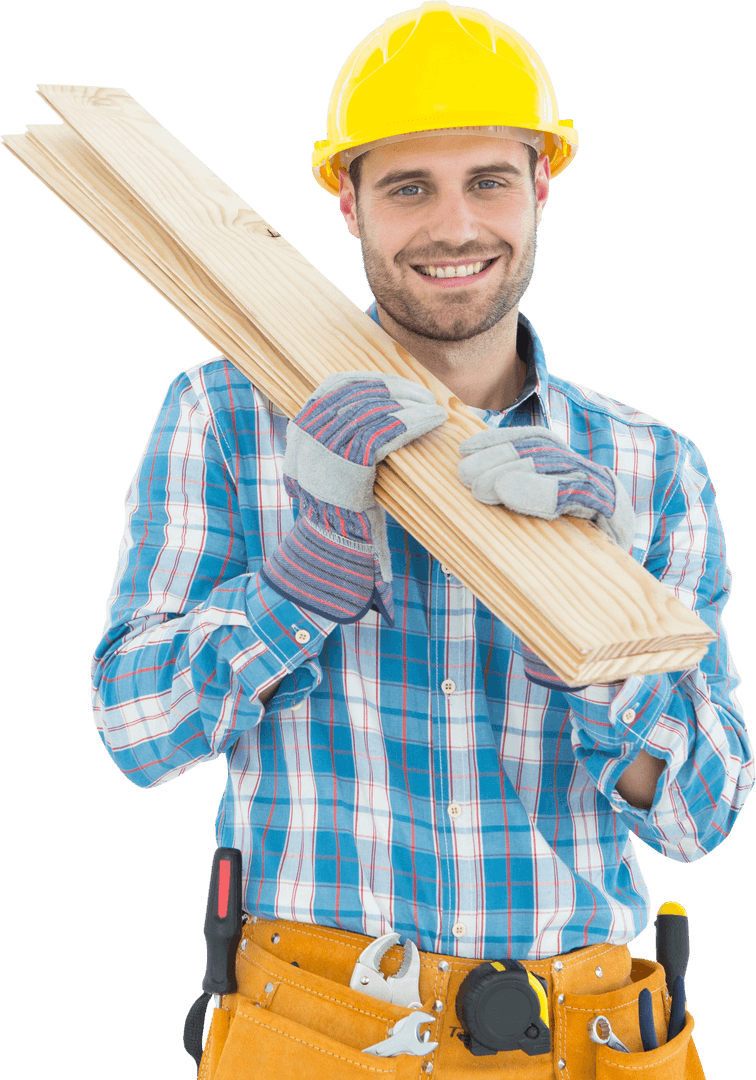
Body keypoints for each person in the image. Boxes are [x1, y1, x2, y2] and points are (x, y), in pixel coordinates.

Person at [90, 3, 752, 1077]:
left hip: (585, 1038)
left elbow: (704, 810)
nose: (455, 226)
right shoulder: (229, 413)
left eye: (489, 180)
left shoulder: (648, 467)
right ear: (347, 202)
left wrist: (596, 633)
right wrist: (292, 593)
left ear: (541, 189)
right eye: (408, 187)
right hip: (315, 1025)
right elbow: (133, 727)